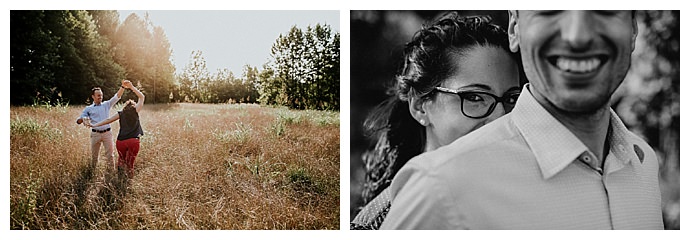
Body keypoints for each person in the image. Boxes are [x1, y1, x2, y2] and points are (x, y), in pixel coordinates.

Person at [380, 10, 663, 229]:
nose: (578, 36)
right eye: (549, 10)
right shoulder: (440, 186)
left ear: (633, 29)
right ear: (515, 27)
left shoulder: (643, 163)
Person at [351, 13, 522, 229]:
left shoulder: (526, 199)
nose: (501, 117)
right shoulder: (387, 220)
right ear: (420, 106)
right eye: (474, 97)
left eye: (511, 99)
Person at [88, 81, 145, 178]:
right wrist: (132, 87)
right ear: (134, 106)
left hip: (121, 141)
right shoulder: (136, 110)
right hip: (133, 141)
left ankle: (119, 176)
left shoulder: (121, 113)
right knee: (130, 163)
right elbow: (142, 97)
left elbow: (108, 120)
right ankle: (128, 180)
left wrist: (94, 125)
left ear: (125, 107)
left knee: (121, 160)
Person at [76, 80, 128, 169]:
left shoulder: (106, 104)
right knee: (94, 156)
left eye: (101, 95)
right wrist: (82, 119)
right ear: (93, 96)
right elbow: (78, 121)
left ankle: (111, 172)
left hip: (107, 133)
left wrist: (122, 87)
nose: (101, 97)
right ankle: (92, 172)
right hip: (95, 134)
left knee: (110, 156)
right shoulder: (88, 109)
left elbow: (117, 97)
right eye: (98, 95)